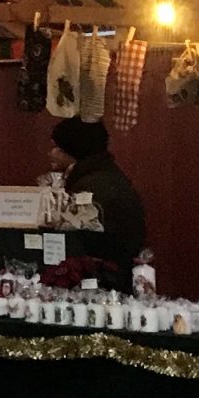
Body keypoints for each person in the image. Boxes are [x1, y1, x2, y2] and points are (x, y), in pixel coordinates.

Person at [50, 116, 148, 282]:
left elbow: (83, 243)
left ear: (71, 150)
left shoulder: (90, 187)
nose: (51, 153)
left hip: (104, 279)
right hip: (120, 272)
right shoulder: (107, 176)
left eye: (56, 147)